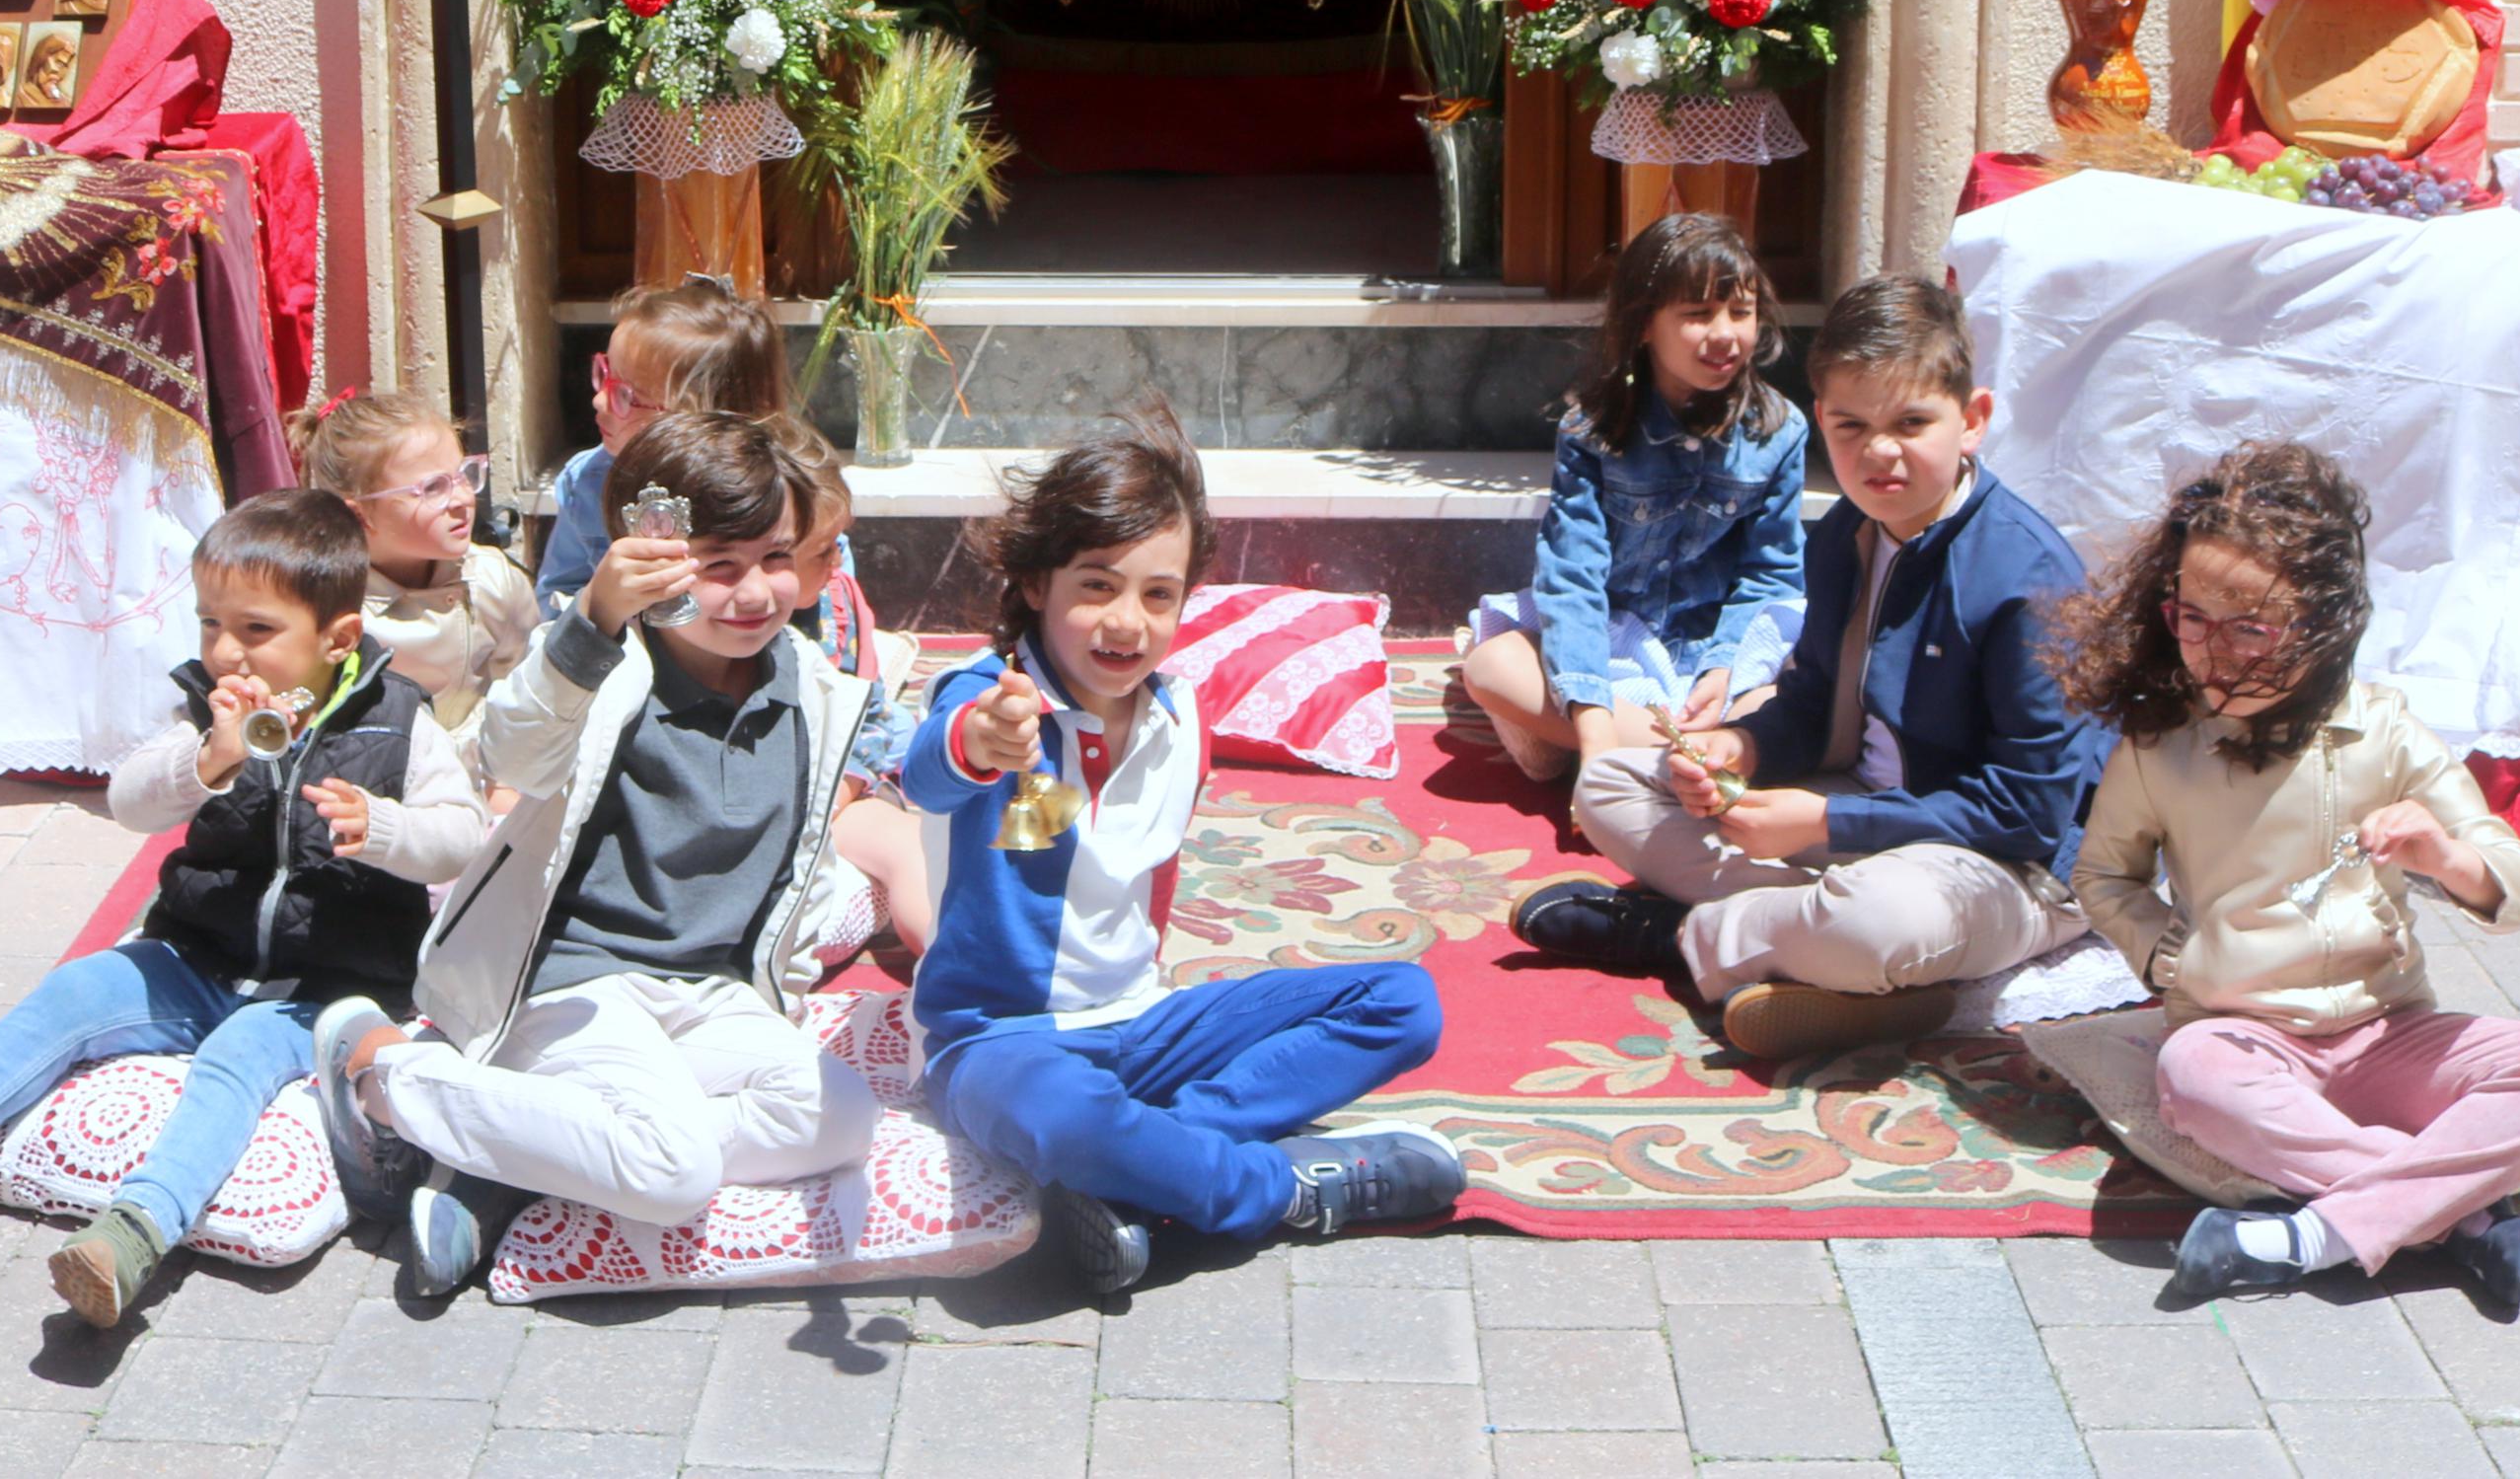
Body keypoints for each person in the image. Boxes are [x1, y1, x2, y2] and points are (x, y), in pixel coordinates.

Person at [0, 491, 486, 1326]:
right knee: (75, 992)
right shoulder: (199, 710)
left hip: (324, 981)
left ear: (337, 639)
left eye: (256, 629)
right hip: (195, 955)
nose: (224, 650)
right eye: (209, 622)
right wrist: (207, 760)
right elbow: (129, 801)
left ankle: (136, 1229)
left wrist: (386, 826)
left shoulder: (401, 723)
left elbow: (462, 836)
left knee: (241, 1054)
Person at [312, 412, 881, 1298]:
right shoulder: (602, 662)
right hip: (575, 977)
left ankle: (521, 1151)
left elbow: (797, 865)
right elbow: (508, 755)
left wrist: (785, 991)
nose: (755, 592)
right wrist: (594, 617)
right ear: (654, 560)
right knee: (674, 1173)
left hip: (708, 989)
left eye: (775, 557)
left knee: (843, 1115)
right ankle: (382, 1075)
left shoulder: (811, 683)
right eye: (717, 565)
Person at [905, 412, 1463, 1294]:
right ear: (1035, 581)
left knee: (1402, 1002)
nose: (1126, 621)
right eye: (1096, 584)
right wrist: (981, 740)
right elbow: (929, 772)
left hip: (1142, 1025)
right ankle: (1274, 1188)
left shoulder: (1179, 715)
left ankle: (1153, 1160)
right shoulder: (992, 695)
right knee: (1061, 1111)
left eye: (1157, 594)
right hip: (1000, 1044)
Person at [2061, 440, 2520, 1319]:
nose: (2212, 653)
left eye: (2250, 627)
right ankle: (2457, 1211)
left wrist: (2441, 857)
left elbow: (2518, 884)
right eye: (2190, 617)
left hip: (2389, 1029)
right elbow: (2102, 874)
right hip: (2242, 1035)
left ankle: (2301, 1238)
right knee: (2190, 1076)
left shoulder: (2386, 733)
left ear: (2320, 623)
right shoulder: (2159, 744)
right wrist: (2170, 957)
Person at [1515, 272, 2104, 1064]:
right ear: (1821, 418)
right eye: (1852, 425)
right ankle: (1812, 945)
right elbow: (1810, 699)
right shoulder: (1844, 535)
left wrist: (1824, 823)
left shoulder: (2026, 579)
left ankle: (1687, 932)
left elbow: (2029, 813)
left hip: (2010, 865)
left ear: (1973, 421)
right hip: (1864, 814)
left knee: (1879, 921)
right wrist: (1741, 749)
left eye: (1911, 422)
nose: (1879, 452)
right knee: (1612, 782)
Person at [1458, 215, 1807, 786]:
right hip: (1613, 643)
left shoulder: (1780, 430)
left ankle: (1635, 745)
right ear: (1645, 324)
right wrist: (1593, 722)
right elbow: (1573, 579)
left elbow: (1773, 578)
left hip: (1712, 658)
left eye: (1740, 313)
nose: (1724, 334)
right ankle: (1664, 751)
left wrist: (1723, 667)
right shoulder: (1593, 430)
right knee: (1491, 665)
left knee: (1805, 689)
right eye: (1698, 315)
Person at [534, 278, 798, 608]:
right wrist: (598, 607)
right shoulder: (587, 483)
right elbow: (556, 594)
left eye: (625, 396)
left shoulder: (783, 493)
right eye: (604, 374)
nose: (599, 402)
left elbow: (823, 591)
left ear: (699, 422)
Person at [769, 416, 931, 952]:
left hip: (837, 789)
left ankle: (961, 976)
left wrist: (843, 788)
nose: (839, 560)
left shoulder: (835, 600)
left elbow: (869, 716)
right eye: (823, 550)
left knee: (908, 844)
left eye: (841, 543)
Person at [290, 387, 533, 735]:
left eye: (463, 474)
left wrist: (505, 783)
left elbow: (525, 698)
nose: (462, 498)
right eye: (433, 488)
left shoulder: (493, 580)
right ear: (358, 516)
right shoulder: (324, 607)